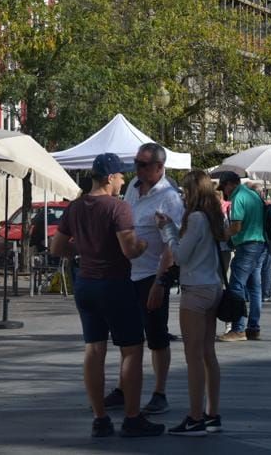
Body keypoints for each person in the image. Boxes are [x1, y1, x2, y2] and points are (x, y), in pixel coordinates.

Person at [49, 153, 163, 438]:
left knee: (94, 349)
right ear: (110, 177)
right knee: (132, 350)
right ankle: (133, 418)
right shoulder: (118, 207)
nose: (125, 180)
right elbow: (129, 249)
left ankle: (100, 419)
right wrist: (145, 244)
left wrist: (85, 250)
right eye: (122, 175)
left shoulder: (75, 207)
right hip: (115, 284)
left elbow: (57, 248)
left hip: (85, 284)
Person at [103, 143, 183, 417]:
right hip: (126, 273)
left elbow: (172, 245)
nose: (137, 168)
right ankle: (124, 387)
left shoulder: (170, 198)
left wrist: (161, 283)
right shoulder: (133, 186)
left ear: (160, 167)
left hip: (151, 275)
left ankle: (160, 393)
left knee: (157, 336)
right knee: (127, 337)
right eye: (136, 163)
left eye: (143, 164)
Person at [156, 170, 225, 436]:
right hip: (213, 286)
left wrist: (168, 231)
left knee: (193, 356)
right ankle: (212, 413)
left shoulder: (196, 218)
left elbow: (181, 256)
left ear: (194, 192)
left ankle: (195, 417)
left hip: (195, 289)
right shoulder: (213, 216)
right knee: (208, 353)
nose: (183, 196)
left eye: (185, 191)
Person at [218, 171, 267, 341]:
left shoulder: (238, 197)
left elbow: (236, 226)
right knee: (255, 288)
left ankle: (238, 329)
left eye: (224, 187)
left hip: (247, 245)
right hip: (260, 243)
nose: (224, 192)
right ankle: (253, 327)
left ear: (229, 184)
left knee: (236, 285)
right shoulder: (253, 194)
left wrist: (223, 234)